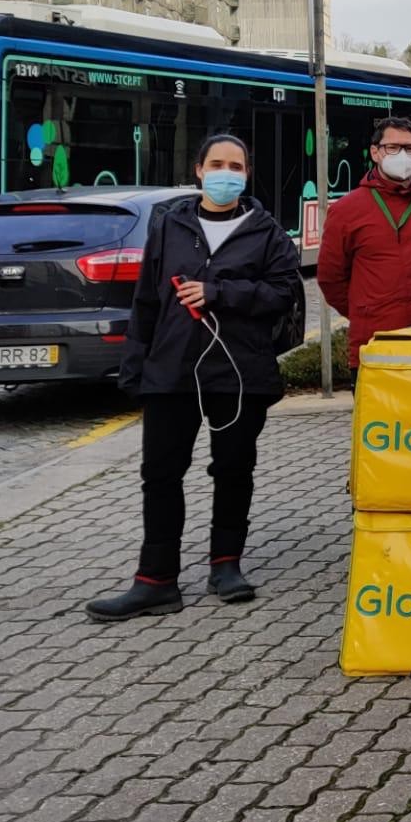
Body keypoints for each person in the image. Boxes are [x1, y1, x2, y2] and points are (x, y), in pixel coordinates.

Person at [88, 135, 305, 621]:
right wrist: (136, 366)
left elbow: (282, 293)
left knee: (232, 470)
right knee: (160, 474)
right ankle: (155, 579)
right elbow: (146, 300)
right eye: (217, 164)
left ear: (247, 175)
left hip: (237, 370)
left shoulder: (266, 230)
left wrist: (218, 292)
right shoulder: (170, 225)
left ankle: (226, 566)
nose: (227, 173)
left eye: (237, 166)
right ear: (199, 170)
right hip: (172, 368)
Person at [318, 116, 411, 368]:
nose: (403, 154)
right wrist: (365, 310)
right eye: (393, 147)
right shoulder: (346, 210)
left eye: (410, 148)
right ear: (375, 153)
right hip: (374, 346)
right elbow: (330, 277)